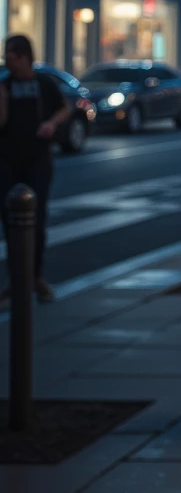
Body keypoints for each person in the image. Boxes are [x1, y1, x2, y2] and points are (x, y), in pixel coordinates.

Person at [0, 34, 70, 304]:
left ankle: (35, 275)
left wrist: (51, 124)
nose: (9, 61)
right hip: (8, 159)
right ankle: (16, 277)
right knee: (10, 220)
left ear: (25, 57)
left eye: (13, 56)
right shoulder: (5, 85)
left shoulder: (44, 83)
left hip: (38, 158)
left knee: (36, 218)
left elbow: (64, 109)